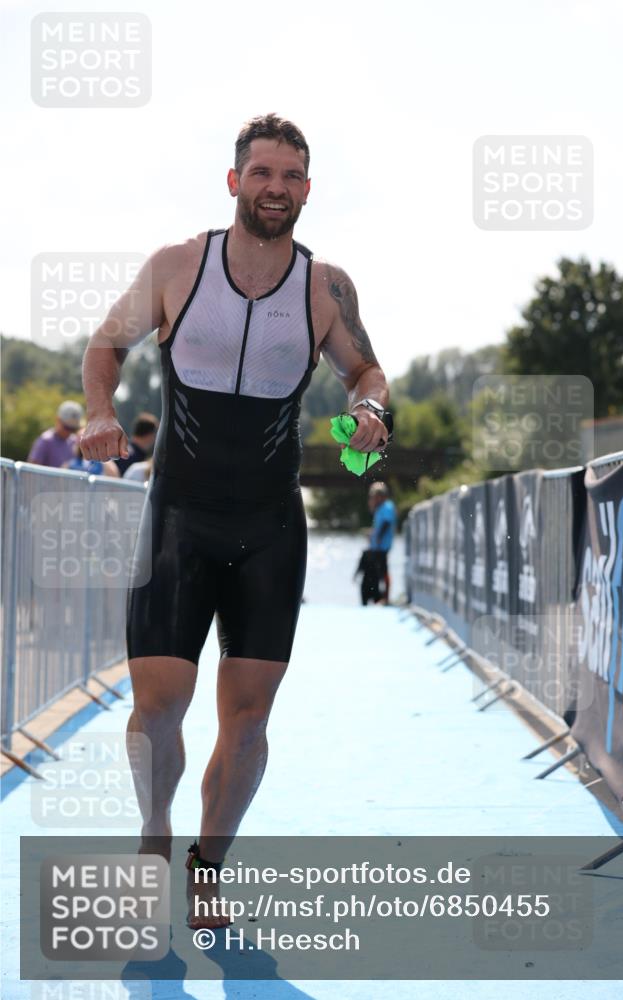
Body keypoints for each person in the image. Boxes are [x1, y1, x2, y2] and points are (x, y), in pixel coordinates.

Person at [80, 113, 393, 929]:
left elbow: (365, 368)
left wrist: (369, 410)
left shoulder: (325, 288)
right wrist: (98, 411)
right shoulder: (178, 265)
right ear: (234, 182)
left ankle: (209, 863)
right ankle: (156, 831)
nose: (276, 189)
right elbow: (104, 345)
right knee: (156, 705)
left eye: (291, 176)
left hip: (269, 526)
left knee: (248, 715)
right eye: (262, 173)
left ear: (307, 189)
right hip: (177, 516)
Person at [27, 400, 83, 468]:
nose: (69, 432)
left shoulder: (74, 441)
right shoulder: (46, 440)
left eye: (73, 429)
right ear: (58, 420)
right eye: (67, 427)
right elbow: (32, 468)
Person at [367, 481, 397, 604]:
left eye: (375, 496)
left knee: (383, 570)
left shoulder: (387, 506)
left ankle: (386, 597)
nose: (374, 498)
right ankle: (378, 597)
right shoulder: (380, 507)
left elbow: (386, 522)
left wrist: (378, 536)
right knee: (377, 571)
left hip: (382, 545)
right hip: (377, 546)